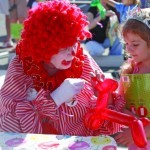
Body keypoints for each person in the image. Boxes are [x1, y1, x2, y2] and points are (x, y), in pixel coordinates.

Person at [0, 0, 125, 135]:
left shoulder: (81, 60)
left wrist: (103, 97)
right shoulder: (22, 66)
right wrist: (54, 99)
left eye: (74, 43)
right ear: (44, 46)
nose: (72, 53)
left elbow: (102, 124)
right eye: (64, 47)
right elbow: (7, 123)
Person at [114, 8, 150, 149]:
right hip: (136, 141)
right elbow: (120, 103)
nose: (129, 49)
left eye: (135, 44)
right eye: (126, 44)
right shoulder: (129, 71)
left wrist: (142, 129)